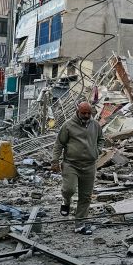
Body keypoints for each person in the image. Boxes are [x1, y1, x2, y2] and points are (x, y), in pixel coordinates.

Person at [51, 101, 103, 235]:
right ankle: (66, 201)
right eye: (83, 113)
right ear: (77, 111)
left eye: (88, 113)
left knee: (86, 196)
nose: (86, 115)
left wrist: (97, 150)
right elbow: (59, 144)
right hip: (71, 164)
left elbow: (101, 139)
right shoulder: (68, 125)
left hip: (89, 165)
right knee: (69, 189)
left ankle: (80, 225)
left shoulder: (95, 125)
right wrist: (55, 161)